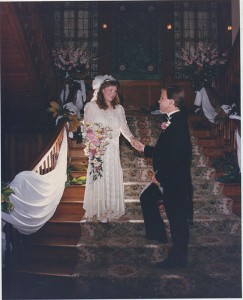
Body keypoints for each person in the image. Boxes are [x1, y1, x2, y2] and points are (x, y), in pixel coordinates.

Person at [133, 85, 193, 268]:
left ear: (171, 102)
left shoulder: (178, 124)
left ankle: (178, 259)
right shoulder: (174, 121)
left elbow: (179, 157)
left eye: (162, 97)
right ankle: (157, 234)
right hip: (171, 177)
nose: (159, 101)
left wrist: (161, 177)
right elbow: (166, 151)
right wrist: (145, 149)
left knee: (177, 220)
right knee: (147, 197)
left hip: (175, 181)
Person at [83, 75, 138, 223]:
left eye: (115, 91)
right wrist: (95, 144)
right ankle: (99, 208)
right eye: (110, 90)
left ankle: (111, 208)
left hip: (113, 151)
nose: (113, 93)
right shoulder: (91, 107)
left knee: (111, 177)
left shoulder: (118, 108)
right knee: (99, 178)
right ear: (102, 90)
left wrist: (133, 140)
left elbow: (124, 128)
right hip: (98, 150)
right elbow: (87, 129)